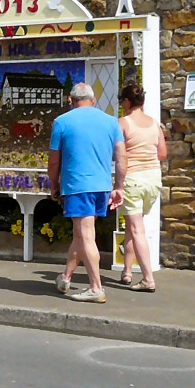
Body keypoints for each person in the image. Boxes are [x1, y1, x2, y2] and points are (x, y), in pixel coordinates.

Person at [48, 82, 126, 303]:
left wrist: (54, 184)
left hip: (77, 185)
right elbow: (121, 157)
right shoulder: (111, 122)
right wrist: (118, 187)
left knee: (86, 236)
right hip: (102, 186)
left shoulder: (62, 122)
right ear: (93, 100)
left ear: (71, 101)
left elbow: (54, 162)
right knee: (81, 234)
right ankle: (65, 277)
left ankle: (96, 288)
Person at [118, 83, 166, 292]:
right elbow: (162, 154)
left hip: (133, 179)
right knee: (132, 225)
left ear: (127, 102)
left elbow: (118, 154)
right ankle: (127, 271)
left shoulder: (123, 123)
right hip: (153, 178)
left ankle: (148, 278)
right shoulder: (155, 124)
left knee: (137, 229)